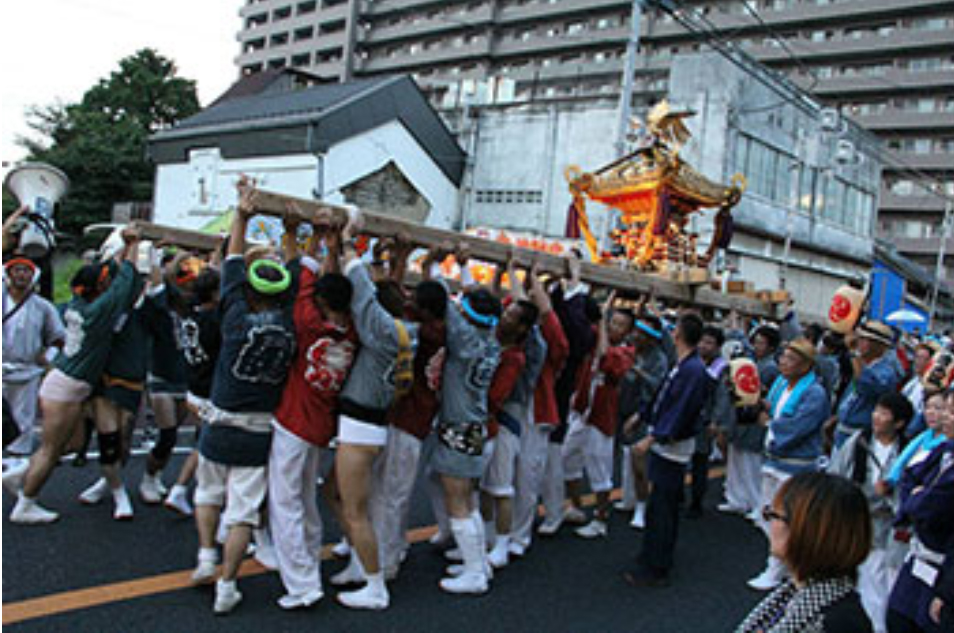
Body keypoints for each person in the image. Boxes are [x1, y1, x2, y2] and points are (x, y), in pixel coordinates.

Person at [190, 183, 296, 614]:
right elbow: (294, 275)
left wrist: (242, 215)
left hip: (219, 421)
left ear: (248, 288)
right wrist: (291, 233)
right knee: (243, 514)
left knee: (207, 495)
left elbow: (232, 260)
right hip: (258, 429)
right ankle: (228, 586)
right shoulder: (291, 324)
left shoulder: (233, 314)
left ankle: (204, 558)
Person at [5, 228, 142, 524]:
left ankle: (19, 475)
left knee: (70, 444)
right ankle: (25, 504)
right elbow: (125, 281)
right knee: (52, 450)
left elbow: (114, 280)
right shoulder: (97, 314)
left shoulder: (80, 304)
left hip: (62, 382)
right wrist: (132, 245)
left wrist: (119, 253)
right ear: (98, 289)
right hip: (66, 388)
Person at [330, 217, 420, 610]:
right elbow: (381, 294)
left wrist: (349, 243)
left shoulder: (382, 330)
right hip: (371, 424)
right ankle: (358, 565)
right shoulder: (404, 329)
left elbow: (365, 294)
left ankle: (375, 585)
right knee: (333, 495)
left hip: (360, 426)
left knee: (355, 512)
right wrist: (396, 256)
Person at [268, 213, 356, 610]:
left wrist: (316, 239)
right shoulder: (353, 329)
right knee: (304, 499)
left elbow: (304, 277)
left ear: (322, 301)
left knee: (285, 502)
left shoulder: (307, 322)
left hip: (293, 422)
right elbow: (320, 283)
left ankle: (302, 584)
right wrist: (332, 245)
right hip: (322, 426)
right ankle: (309, 567)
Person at [623, 312, 710, 587]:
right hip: (666, 445)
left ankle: (657, 567)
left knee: (663, 507)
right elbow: (664, 398)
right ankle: (651, 556)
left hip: (672, 448)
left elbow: (681, 410)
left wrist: (653, 438)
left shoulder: (693, 370)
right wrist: (642, 416)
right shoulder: (683, 364)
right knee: (659, 504)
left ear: (679, 334)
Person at [736, 472, 873, 633]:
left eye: (773, 515)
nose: (769, 523)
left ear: (806, 530)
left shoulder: (839, 622)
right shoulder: (800, 594)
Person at [749, 338, 831, 592]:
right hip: (774, 460)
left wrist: (769, 424)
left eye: (791, 359)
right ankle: (781, 563)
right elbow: (774, 411)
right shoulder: (782, 383)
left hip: (796, 464)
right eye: (783, 357)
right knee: (768, 514)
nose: (783, 362)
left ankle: (778, 569)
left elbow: (799, 427)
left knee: (787, 519)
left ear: (806, 365)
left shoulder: (815, 393)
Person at [829, 392, 914, 633]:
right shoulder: (859, 441)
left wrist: (889, 494)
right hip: (852, 518)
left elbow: (906, 496)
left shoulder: (906, 452)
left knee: (875, 582)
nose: (876, 417)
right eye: (876, 410)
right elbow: (837, 474)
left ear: (899, 423)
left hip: (882, 526)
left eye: (884, 413)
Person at [563, 292, 635, 539]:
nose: (613, 327)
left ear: (628, 332)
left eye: (619, 325)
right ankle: (575, 506)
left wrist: (603, 322)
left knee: (600, 470)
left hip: (602, 417)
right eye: (612, 322)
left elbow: (605, 355)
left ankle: (601, 519)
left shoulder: (626, 351)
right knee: (567, 458)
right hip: (582, 411)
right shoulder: (596, 337)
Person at [510, 263, 568, 556]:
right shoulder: (514, 337)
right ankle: (500, 535)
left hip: (536, 413)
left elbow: (546, 319)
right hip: (511, 409)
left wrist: (534, 281)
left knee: (527, 476)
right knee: (501, 477)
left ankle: (519, 537)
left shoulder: (550, 348)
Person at [886, 428, 953, 633]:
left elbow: (932, 505)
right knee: (897, 618)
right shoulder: (943, 450)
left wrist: (920, 497)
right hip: (918, 557)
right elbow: (910, 478)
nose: (947, 417)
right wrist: (917, 498)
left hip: (944, 565)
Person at [2, 256, 65, 459]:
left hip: (27, 371)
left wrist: (48, 357)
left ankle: (16, 461)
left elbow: (59, 337)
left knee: (23, 418)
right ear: (8, 274)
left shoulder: (43, 307)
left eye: (26, 271)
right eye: (17, 270)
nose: (21, 275)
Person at [616, 312, 669, 529]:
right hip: (624, 407)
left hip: (644, 413)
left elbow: (659, 387)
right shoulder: (630, 349)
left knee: (640, 463)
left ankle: (641, 506)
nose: (637, 335)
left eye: (643, 332)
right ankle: (628, 498)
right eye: (637, 330)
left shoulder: (659, 358)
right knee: (625, 457)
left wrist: (639, 372)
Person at [831, 321, 902, 448]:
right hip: (843, 431)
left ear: (879, 346)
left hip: (861, 435)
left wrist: (854, 353)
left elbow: (865, 386)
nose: (859, 343)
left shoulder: (886, 373)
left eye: (865, 340)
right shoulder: (862, 364)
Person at [688, 324, 731, 519]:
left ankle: (696, 502)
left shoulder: (721, 367)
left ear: (718, 346)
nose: (704, 346)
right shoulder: (692, 359)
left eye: (709, 343)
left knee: (699, 461)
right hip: (686, 417)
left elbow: (722, 397)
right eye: (702, 341)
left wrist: (715, 421)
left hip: (704, 420)